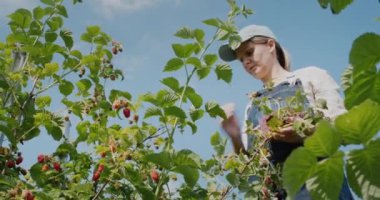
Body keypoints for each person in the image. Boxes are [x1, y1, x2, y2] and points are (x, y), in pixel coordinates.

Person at [218, 24, 353, 200]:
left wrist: (303, 133)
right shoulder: (251, 106)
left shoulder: (309, 77)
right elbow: (250, 172)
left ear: (270, 45)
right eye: (241, 59)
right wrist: (234, 136)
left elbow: (341, 129)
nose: (246, 62)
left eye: (249, 52)